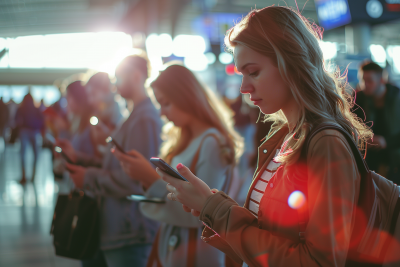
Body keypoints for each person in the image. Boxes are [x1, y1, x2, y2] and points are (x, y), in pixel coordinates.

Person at [157, 6, 379, 267]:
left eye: (254, 72)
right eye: (242, 74)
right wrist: (211, 206)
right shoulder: (285, 136)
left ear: (291, 64)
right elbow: (272, 234)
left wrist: (216, 209)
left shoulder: (325, 143)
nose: (243, 87)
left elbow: (319, 261)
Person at [112, 64, 242, 267]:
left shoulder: (211, 142)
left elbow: (202, 213)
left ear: (185, 97)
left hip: (197, 254)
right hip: (175, 248)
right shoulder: (187, 138)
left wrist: (150, 179)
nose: (162, 113)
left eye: (166, 103)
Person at [58, 55, 162, 267]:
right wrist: (81, 159)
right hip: (122, 228)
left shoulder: (144, 118)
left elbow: (135, 180)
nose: (115, 84)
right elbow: (119, 164)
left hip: (130, 230)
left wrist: (88, 177)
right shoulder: (135, 116)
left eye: (119, 77)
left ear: (136, 76)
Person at [354, 61, 400, 183]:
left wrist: (386, 141)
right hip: (369, 159)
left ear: (381, 80)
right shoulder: (359, 100)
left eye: (369, 81)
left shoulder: (397, 98)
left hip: (394, 160)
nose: (365, 85)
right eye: (362, 80)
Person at [15, 93, 45, 184]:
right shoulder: (36, 109)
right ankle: (33, 176)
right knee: (36, 154)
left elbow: (16, 120)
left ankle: (24, 176)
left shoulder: (21, 109)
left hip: (24, 131)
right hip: (35, 132)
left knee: (23, 154)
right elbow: (42, 121)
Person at [65, 81, 96, 157]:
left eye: (68, 97)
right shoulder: (78, 121)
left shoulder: (91, 124)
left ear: (77, 97)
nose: (67, 102)